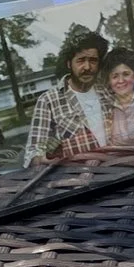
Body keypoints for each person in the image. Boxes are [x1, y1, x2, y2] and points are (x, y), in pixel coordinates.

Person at [22, 29, 113, 166]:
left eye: (93, 60)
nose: (87, 67)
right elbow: (34, 151)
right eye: (81, 60)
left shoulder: (106, 90)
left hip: (116, 168)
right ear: (69, 64)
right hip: (78, 177)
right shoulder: (48, 100)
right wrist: (42, 159)